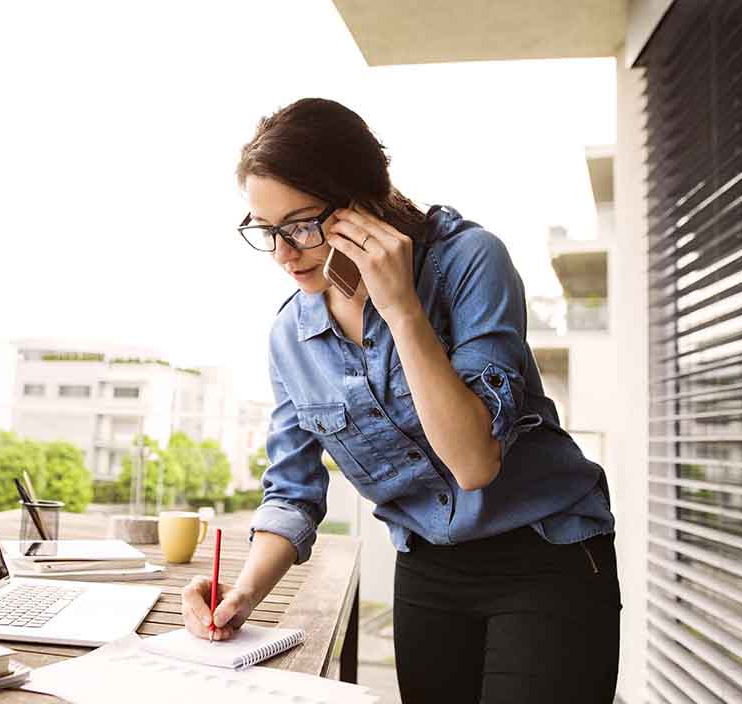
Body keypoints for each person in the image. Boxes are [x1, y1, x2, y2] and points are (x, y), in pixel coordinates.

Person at [180, 98, 620, 703]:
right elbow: (291, 490)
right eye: (266, 230)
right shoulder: (291, 335)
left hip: (545, 556)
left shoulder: (469, 262)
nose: (284, 253)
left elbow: (474, 462)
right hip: (428, 569)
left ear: (365, 199)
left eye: (302, 224)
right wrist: (243, 595)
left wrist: (401, 311)